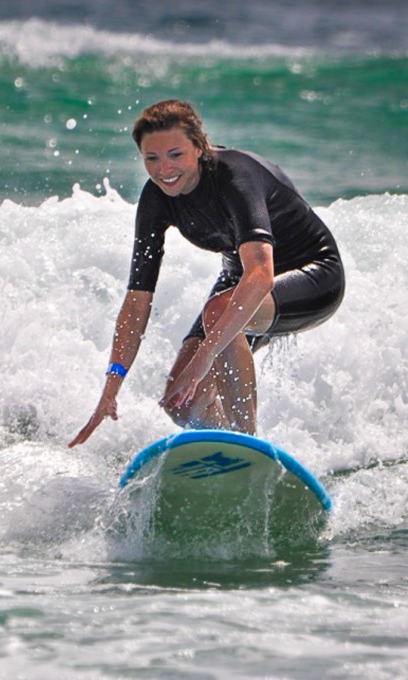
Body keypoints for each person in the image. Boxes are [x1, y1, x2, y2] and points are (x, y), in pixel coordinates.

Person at [70, 99, 344, 447]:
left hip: (313, 275)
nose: (163, 169)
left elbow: (260, 275)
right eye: (151, 158)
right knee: (181, 402)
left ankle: (248, 445)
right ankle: (229, 449)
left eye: (175, 154)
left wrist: (203, 360)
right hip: (240, 280)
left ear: (199, 147)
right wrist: (111, 387)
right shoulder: (157, 199)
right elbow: (137, 301)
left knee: (217, 316)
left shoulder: (235, 176)